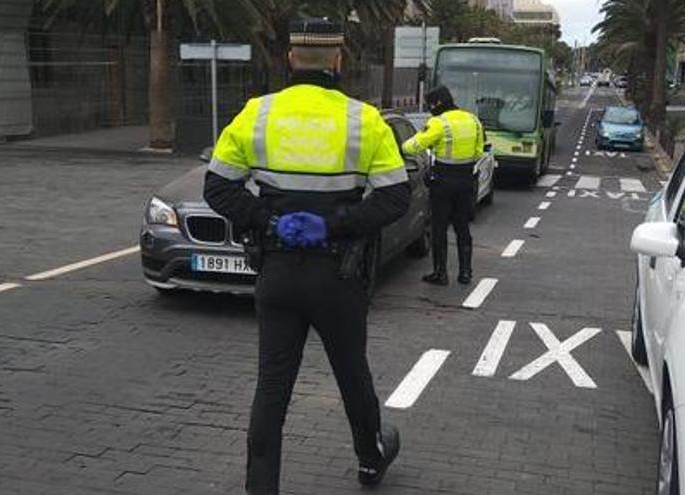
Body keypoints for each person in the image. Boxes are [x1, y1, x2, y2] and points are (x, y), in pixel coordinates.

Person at [203, 18, 408, 495]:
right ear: (338, 62)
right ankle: (370, 460)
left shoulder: (256, 114)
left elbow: (218, 187)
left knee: (271, 387)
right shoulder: (364, 120)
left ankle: (261, 488)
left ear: (291, 60)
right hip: (337, 275)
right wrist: (334, 223)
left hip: (276, 273)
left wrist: (267, 221)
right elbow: (395, 199)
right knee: (352, 374)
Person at [402, 85, 485, 285]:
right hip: (466, 181)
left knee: (439, 228)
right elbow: (479, 151)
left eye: (431, 105)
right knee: (462, 227)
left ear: (437, 104)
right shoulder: (473, 120)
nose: (430, 109)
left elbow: (411, 146)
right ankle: (465, 273)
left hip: (443, 182)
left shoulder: (438, 123)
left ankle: (441, 273)